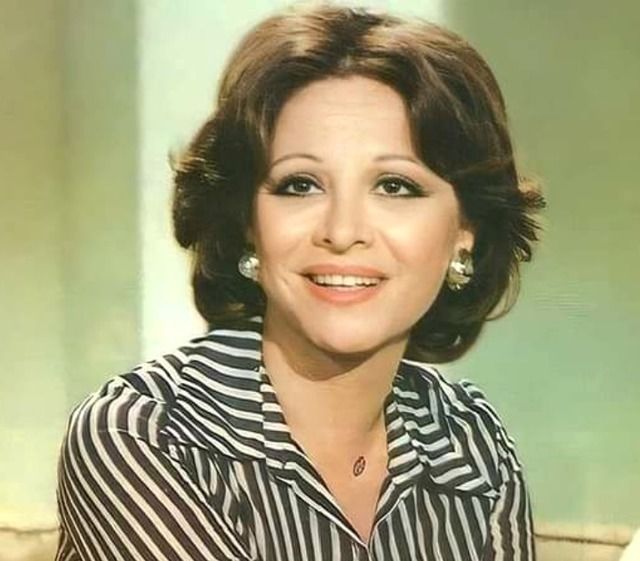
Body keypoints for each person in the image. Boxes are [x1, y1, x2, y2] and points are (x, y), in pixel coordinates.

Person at [55, 4, 545, 561]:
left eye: (394, 186)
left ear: (466, 230)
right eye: (300, 185)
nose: (342, 231)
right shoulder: (141, 433)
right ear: (248, 222)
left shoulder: (471, 443)